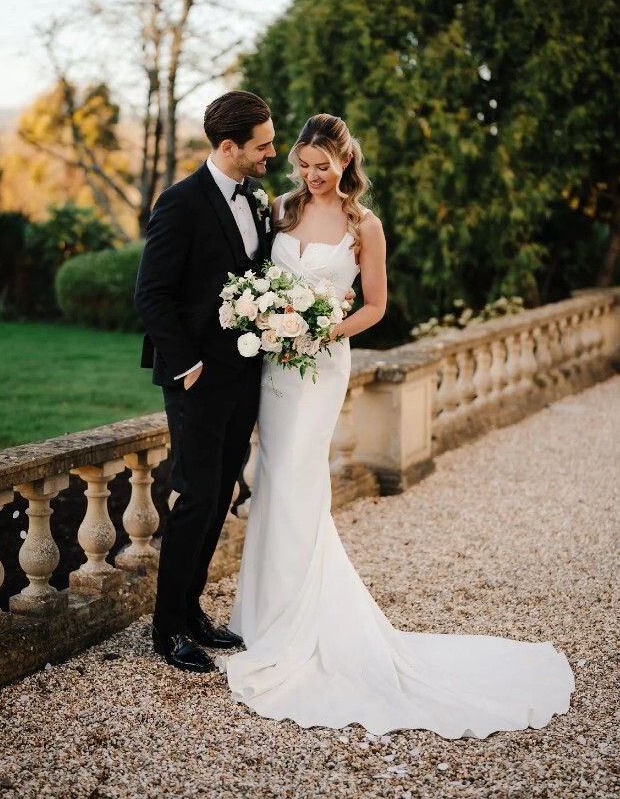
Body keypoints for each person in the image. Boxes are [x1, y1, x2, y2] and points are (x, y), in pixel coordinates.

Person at [219, 113, 575, 738]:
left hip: (321, 364)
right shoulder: (279, 208)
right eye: (302, 165)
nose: (310, 176)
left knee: (301, 479)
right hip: (275, 366)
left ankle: (300, 625)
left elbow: (377, 306)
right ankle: (261, 617)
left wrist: (320, 328)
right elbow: (260, 278)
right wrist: (271, 318)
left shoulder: (364, 225)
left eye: (321, 167)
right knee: (274, 478)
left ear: (345, 161)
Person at [134, 90, 276, 673]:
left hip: (243, 374)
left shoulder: (257, 198)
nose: (271, 153)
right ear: (228, 147)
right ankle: (166, 629)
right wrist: (188, 367)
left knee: (220, 493)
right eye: (263, 145)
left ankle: (191, 612)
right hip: (195, 378)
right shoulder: (180, 203)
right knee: (195, 495)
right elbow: (153, 295)